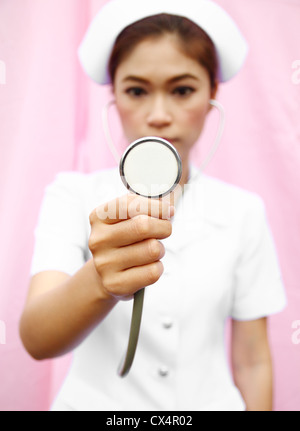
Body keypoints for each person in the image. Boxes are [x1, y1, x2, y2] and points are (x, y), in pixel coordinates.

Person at [19, 0, 286, 411]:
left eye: (182, 90)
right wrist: (99, 281)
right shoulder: (71, 196)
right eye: (137, 91)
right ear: (114, 97)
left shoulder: (244, 211)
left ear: (213, 92)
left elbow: (252, 361)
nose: (159, 115)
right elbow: (37, 339)